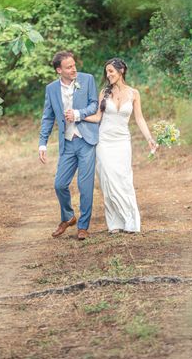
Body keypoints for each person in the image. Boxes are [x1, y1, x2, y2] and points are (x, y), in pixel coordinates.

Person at [83, 58, 157, 233]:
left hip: (122, 142)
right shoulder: (104, 93)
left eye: (111, 71)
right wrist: (78, 116)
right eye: (107, 72)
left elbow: (139, 118)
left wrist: (149, 138)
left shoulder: (134, 93)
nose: (108, 75)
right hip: (104, 142)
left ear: (121, 70)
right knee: (108, 180)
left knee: (123, 180)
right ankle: (115, 224)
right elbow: (97, 117)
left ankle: (130, 222)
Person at [38, 51, 100, 240]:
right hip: (67, 142)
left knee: (85, 185)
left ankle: (83, 227)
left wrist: (78, 114)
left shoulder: (87, 79)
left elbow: (94, 104)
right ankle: (68, 217)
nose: (74, 69)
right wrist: (43, 143)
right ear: (59, 70)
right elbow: (48, 117)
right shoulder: (51, 89)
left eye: (74, 65)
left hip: (86, 140)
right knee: (59, 184)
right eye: (69, 67)